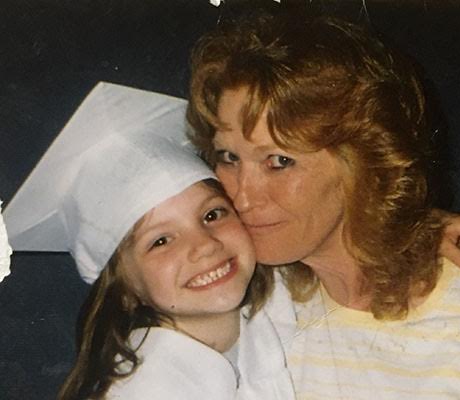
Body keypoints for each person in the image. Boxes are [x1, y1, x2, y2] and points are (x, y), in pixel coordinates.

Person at [186, 11, 460, 398]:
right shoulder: (247, 305)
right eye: (229, 158)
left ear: (362, 162)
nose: (241, 195)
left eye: (279, 162)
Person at [4, 82, 294, 400]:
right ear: (125, 291)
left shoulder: (278, 311)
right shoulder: (143, 390)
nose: (205, 244)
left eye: (212, 215)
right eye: (161, 241)